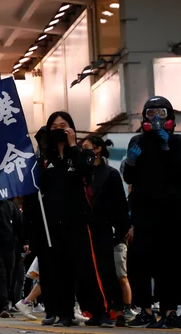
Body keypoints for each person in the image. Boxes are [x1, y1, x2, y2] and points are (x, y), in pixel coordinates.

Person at [23, 112, 112, 328]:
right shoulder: (44, 161)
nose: (59, 129)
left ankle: (99, 312)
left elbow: (86, 170)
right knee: (57, 271)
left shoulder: (81, 154)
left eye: (64, 125)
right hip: (52, 225)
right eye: (54, 126)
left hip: (78, 223)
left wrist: (73, 145)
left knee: (86, 270)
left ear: (71, 128)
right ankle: (64, 313)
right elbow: (35, 190)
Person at [123, 96, 181, 329]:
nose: (156, 118)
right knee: (139, 262)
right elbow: (129, 178)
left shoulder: (178, 143)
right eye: (151, 114)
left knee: (170, 263)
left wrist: (168, 149)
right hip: (144, 212)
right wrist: (131, 163)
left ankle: (169, 311)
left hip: (172, 212)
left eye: (161, 113)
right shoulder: (137, 141)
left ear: (170, 117)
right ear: (144, 117)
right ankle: (145, 310)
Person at [78, 135, 129, 328]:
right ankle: (96, 311)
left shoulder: (110, 174)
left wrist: (121, 231)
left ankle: (114, 311)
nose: (83, 151)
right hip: (85, 230)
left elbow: (120, 205)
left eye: (87, 147)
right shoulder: (82, 174)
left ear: (98, 149)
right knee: (88, 272)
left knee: (106, 271)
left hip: (103, 229)